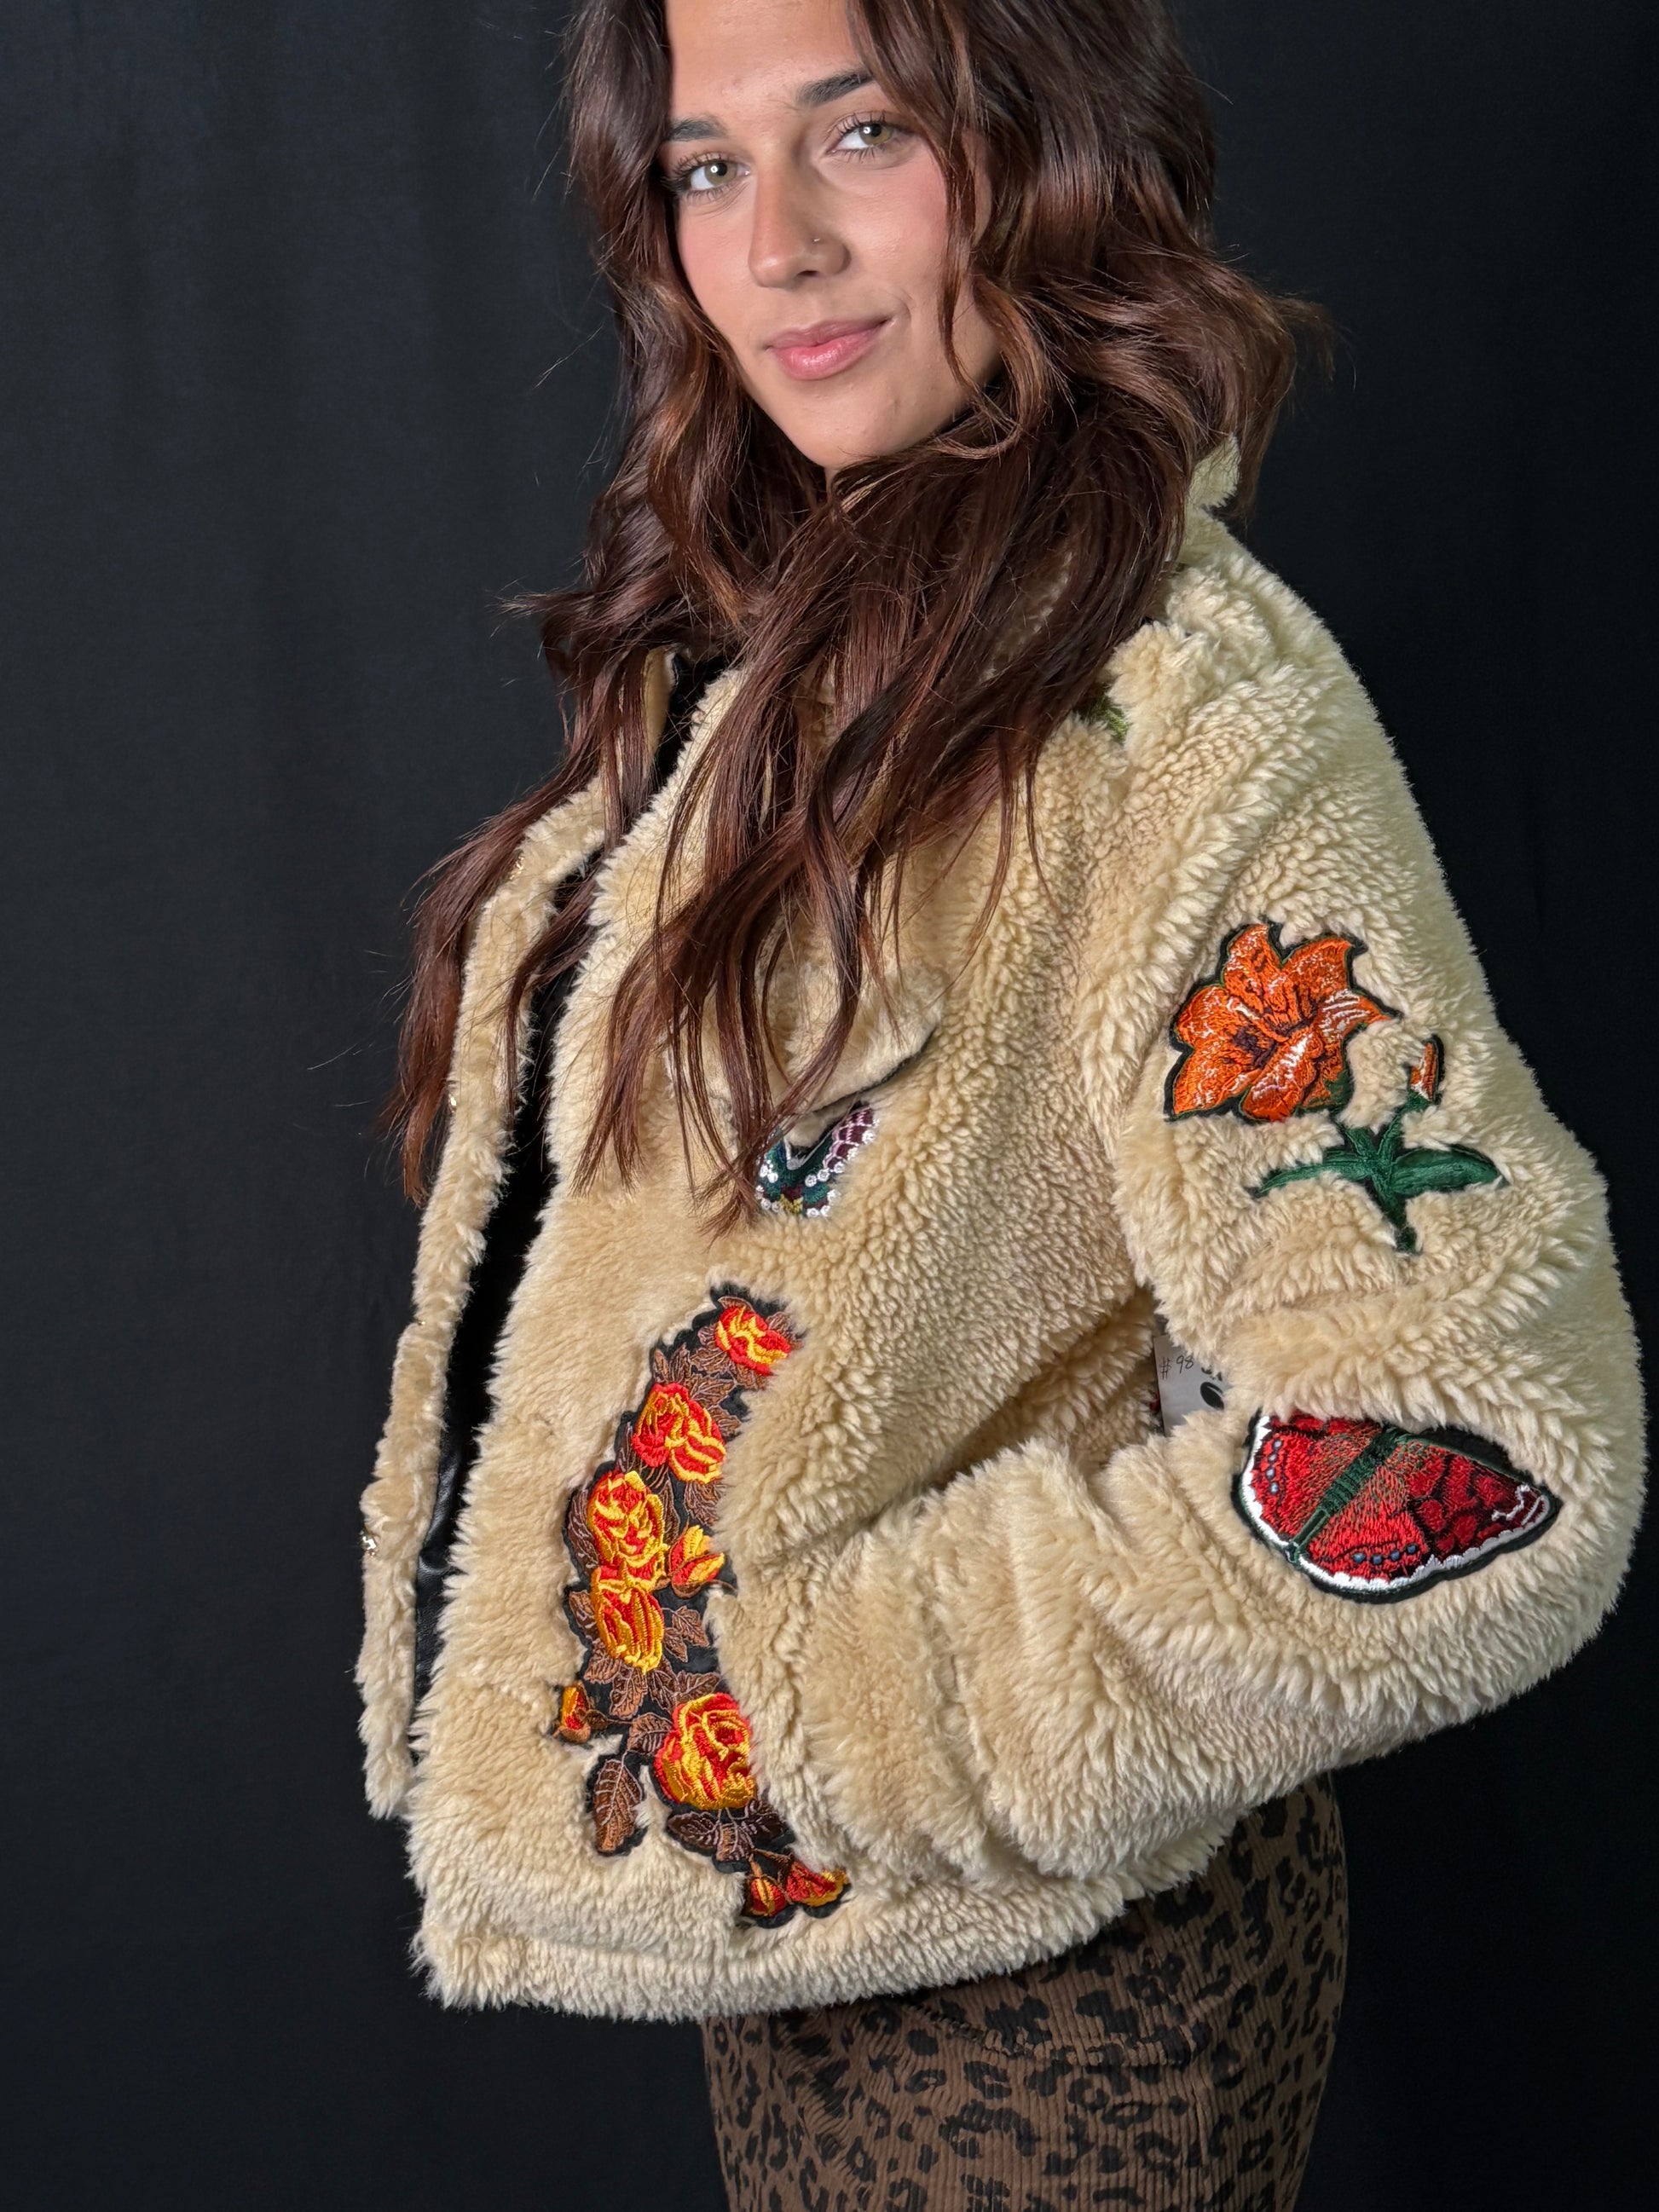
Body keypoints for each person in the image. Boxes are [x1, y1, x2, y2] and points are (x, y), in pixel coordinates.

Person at [357, 0, 1644, 2203]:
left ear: (1036, 144)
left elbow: (1482, 1443)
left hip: (1054, 1992)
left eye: (861, 132)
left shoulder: (1175, 720)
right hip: (814, 1932)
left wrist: (814, 1696)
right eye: (706, 166)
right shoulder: (785, 661)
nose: (775, 241)